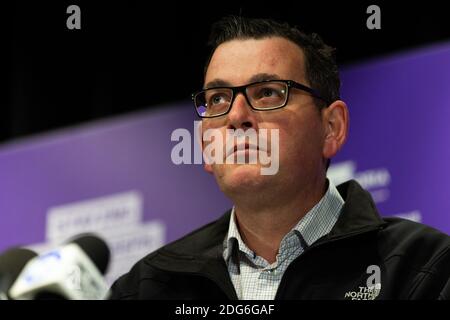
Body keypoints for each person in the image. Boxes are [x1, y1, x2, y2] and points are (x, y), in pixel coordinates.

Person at [110, 16, 450, 300]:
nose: (236, 116)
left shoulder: (425, 268)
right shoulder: (147, 287)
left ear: (331, 128)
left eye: (268, 93)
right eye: (217, 99)